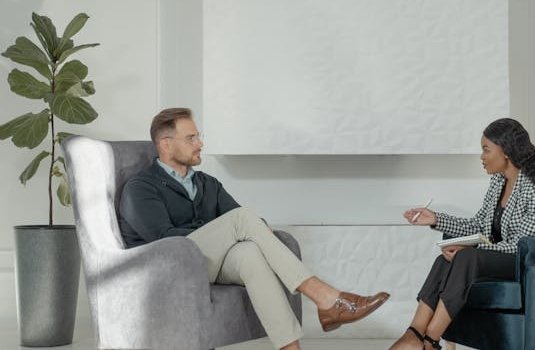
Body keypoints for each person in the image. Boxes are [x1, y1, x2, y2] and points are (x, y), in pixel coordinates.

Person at [118, 108, 389, 350]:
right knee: (243, 219)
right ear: (165, 144)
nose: (200, 143)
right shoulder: (141, 188)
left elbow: (245, 224)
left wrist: (253, 231)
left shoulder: (206, 183)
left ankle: (290, 348)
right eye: (191, 138)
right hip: (166, 268)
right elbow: (164, 240)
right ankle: (327, 299)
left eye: (198, 136)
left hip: (203, 262)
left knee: (250, 254)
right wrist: (226, 229)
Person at [389, 118, 535, 350]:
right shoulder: (498, 183)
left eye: (486, 150)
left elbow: (527, 245)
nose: (481, 157)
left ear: (506, 151)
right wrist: (435, 218)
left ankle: (430, 340)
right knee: (445, 260)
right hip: (509, 258)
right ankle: (414, 334)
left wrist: (475, 250)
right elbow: (478, 226)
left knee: (466, 257)